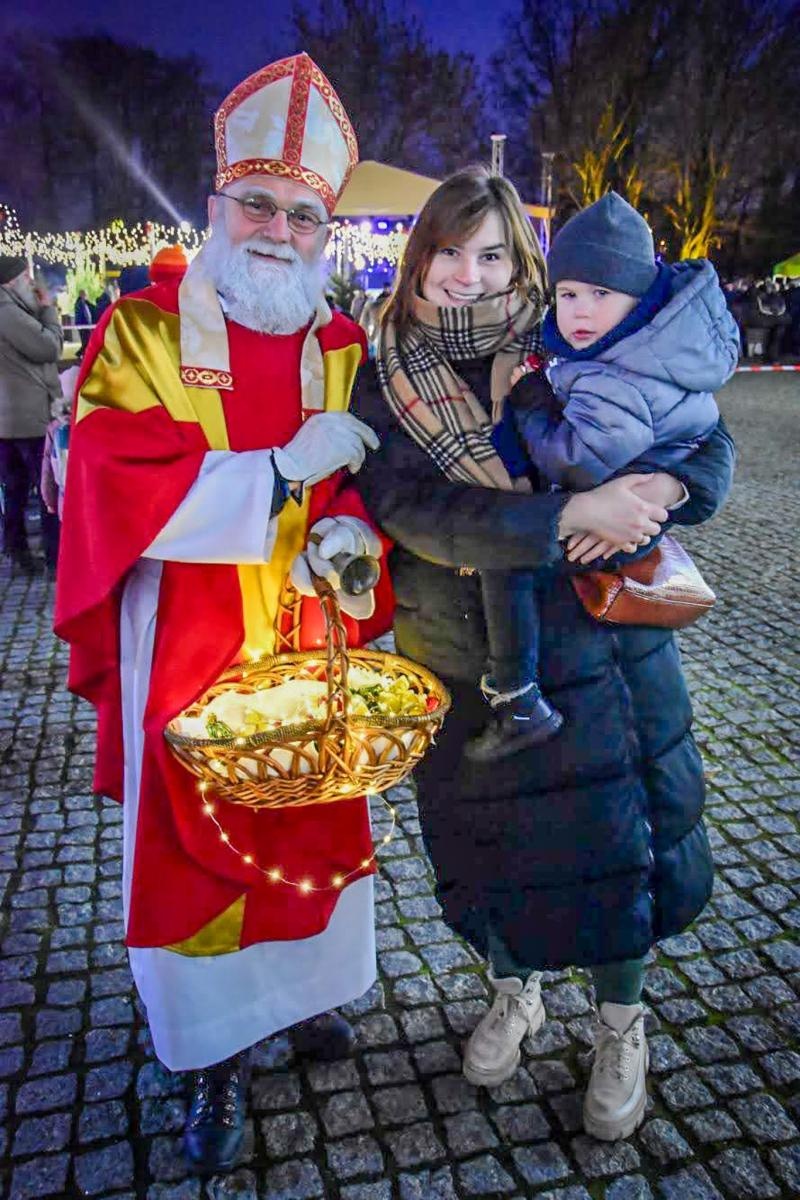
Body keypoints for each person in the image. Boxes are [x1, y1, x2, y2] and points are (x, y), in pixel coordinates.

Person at [55, 53, 392, 1175]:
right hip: (186, 643)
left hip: (309, 642)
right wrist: (281, 474)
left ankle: (301, 1000)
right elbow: (111, 484)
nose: (279, 230)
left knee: (308, 824)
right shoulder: (143, 334)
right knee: (199, 852)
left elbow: (352, 498)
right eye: (257, 203)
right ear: (213, 206)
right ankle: (207, 1057)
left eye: (304, 215)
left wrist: (345, 541)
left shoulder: (338, 347)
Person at [352, 165, 736, 1141]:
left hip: (597, 650)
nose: (467, 274)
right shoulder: (384, 367)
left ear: (519, 257)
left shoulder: (571, 336)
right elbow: (411, 508)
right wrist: (567, 510)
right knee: (493, 855)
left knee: (615, 848)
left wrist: (656, 495)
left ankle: (619, 1024)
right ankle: (512, 992)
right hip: (459, 655)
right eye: (447, 249)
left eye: (489, 252)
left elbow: (704, 445)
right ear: (418, 255)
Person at [464, 192, 738, 761]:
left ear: (638, 299)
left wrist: (531, 400)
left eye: (601, 294)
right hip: (625, 504)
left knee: (504, 556)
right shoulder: (645, 346)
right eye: (568, 295)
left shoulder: (621, 371)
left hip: (618, 519)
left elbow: (574, 460)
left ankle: (516, 696)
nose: (581, 311)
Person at [0, 255, 63, 574]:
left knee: (15, 490)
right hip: (28, 418)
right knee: (48, 486)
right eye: (26, 278)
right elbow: (47, 348)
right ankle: (54, 556)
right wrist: (49, 310)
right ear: (12, 282)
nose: (31, 284)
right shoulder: (6, 312)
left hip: (10, 419)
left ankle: (18, 550)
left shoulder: (11, 310)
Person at [73, 288, 95, 359]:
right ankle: (79, 354)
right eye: (85, 294)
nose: (86, 295)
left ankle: (83, 354)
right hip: (83, 326)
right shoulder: (79, 304)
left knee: (87, 341)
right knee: (86, 341)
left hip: (86, 326)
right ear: (82, 295)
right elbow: (82, 315)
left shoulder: (85, 303)